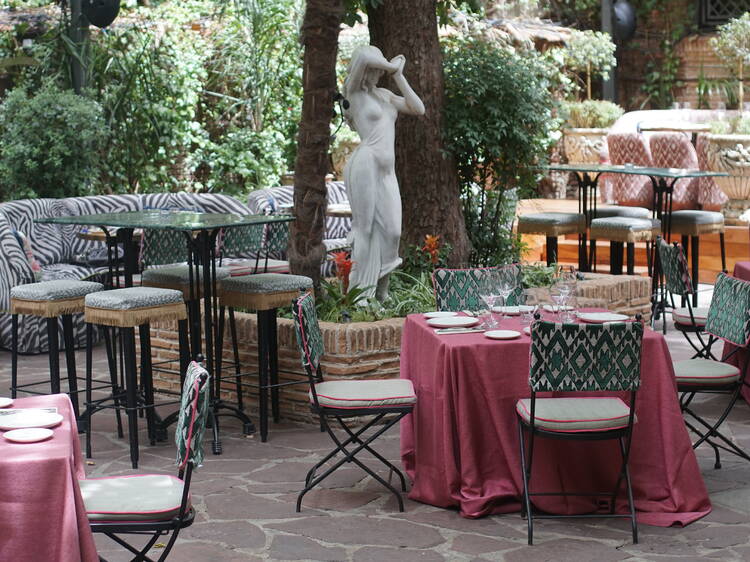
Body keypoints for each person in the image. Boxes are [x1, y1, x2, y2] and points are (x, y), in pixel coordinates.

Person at [343, 45, 425, 301]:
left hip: (387, 171)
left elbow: (417, 108)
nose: (379, 74)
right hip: (365, 165)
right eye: (376, 70)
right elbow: (364, 55)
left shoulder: (385, 95)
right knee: (364, 228)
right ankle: (361, 294)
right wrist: (389, 64)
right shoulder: (354, 93)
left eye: (381, 71)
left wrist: (398, 75)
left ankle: (382, 288)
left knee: (392, 231)